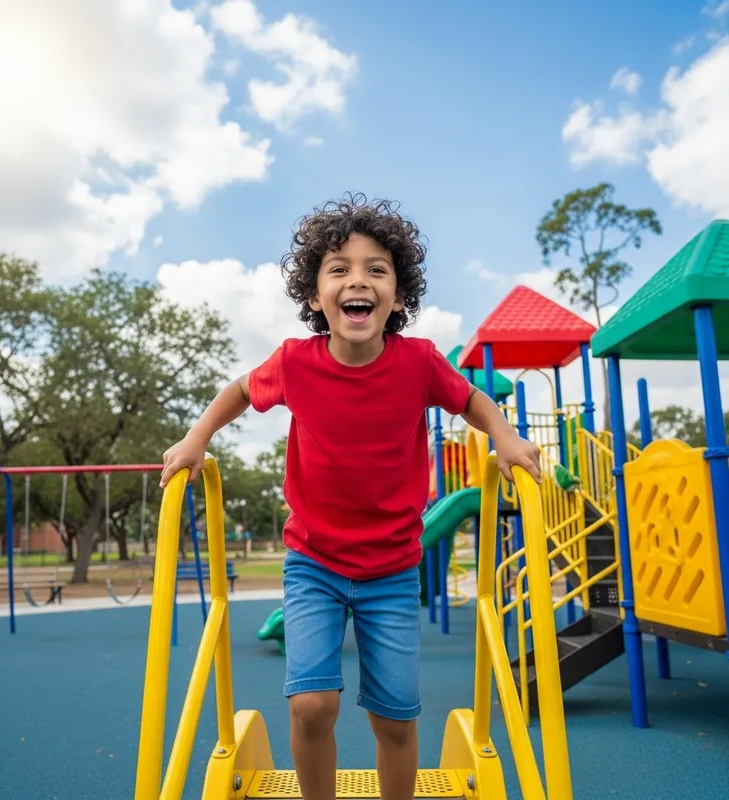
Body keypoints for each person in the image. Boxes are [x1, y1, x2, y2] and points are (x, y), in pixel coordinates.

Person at [159, 194, 541, 800]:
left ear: (397, 295)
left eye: (376, 269)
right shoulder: (295, 363)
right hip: (314, 562)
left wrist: (506, 439)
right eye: (339, 268)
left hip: (392, 568)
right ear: (315, 297)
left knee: (394, 717)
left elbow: (470, 400)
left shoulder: (418, 362)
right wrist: (196, 438)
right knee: (312, 705)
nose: (357, 280)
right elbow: (237, 390)